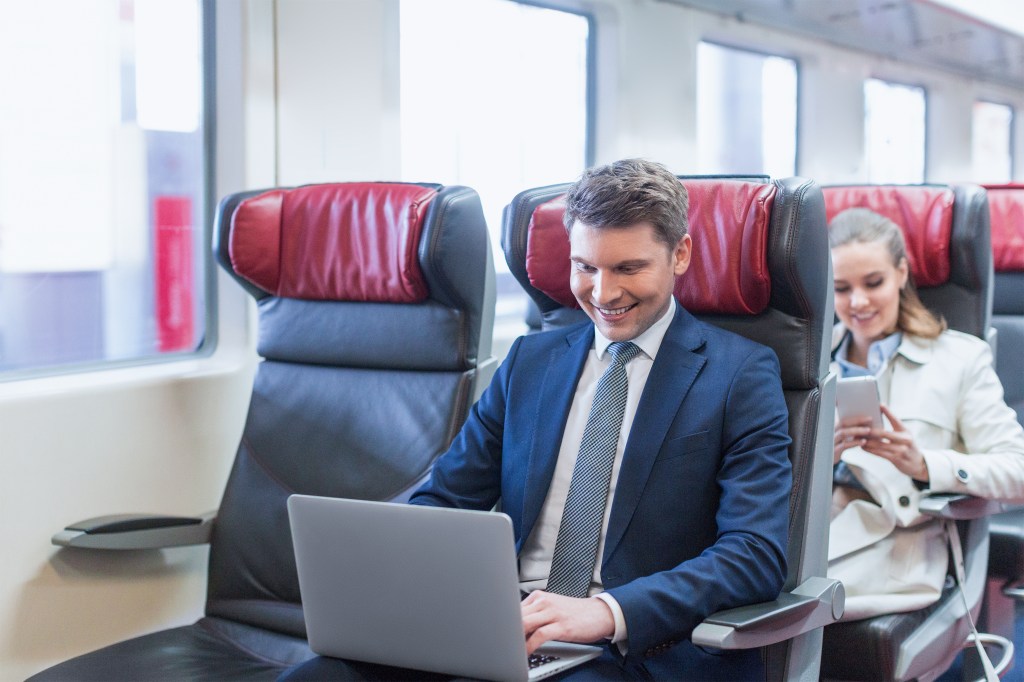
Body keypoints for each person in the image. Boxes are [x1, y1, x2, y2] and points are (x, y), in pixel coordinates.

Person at [283, 159, 792, 680]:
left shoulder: (740, 374)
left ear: (679, 254)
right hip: (507, 626)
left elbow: (753, 554)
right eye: (586, 267)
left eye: (628, 268)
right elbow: (444, 504)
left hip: (633, 648)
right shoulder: (530, 363)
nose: (604, 293)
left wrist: (606, 612)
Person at [827, 207, 1024, 621]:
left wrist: (924, 465)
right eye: (841, 289)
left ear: (902, 273)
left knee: (770, 604)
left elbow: (1018, 470)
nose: (857, 302)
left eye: (874, 282)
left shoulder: (958, 358)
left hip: (895, 545)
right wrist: (818, 460)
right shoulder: (808, 361)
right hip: (808, 530)